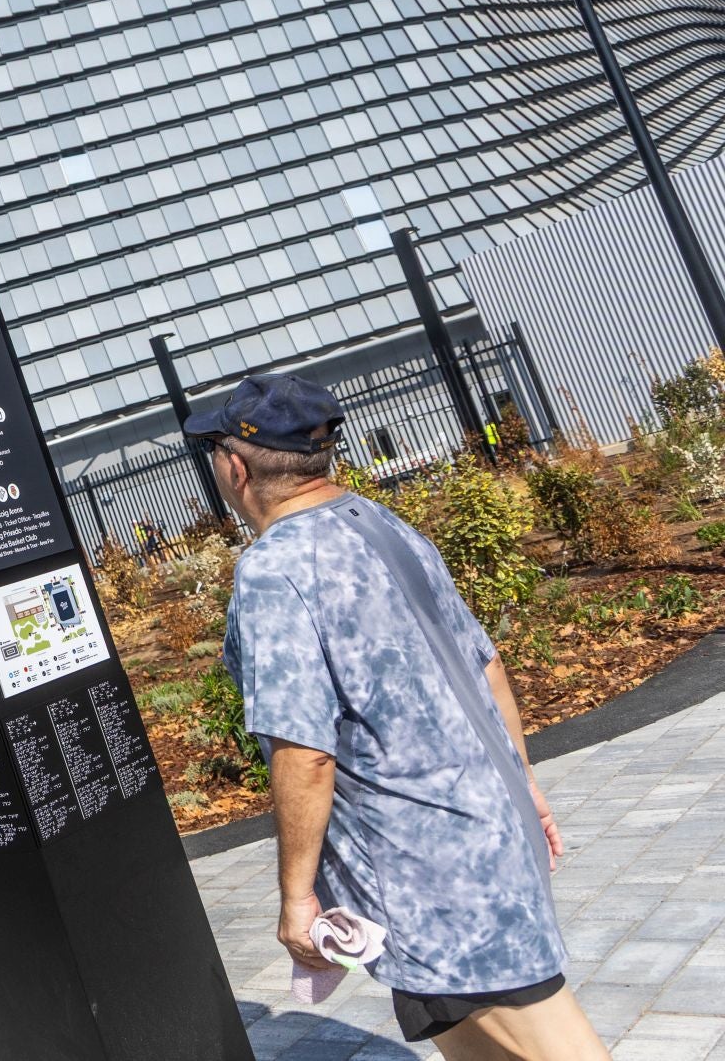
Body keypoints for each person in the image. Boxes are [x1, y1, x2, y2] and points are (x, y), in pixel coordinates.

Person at [183, 374, 607, 1060]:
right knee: (475, 1043)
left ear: (235, 467)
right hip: (485, 827)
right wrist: (524, 784)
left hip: (430, 872)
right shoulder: (384, 523)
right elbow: (485, 663)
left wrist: (297, 896)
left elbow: (305, 748)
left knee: (552, 1043)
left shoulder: (274, 570)